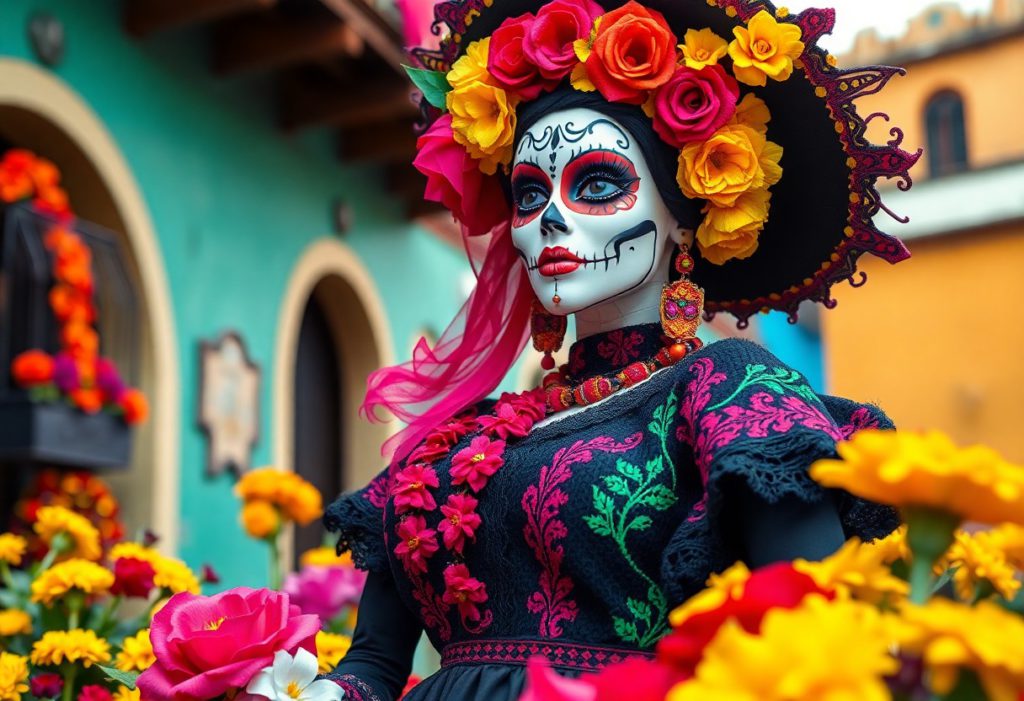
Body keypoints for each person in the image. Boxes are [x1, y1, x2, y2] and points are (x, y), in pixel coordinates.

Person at [322, 0, 921, 699]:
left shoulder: (727, 391)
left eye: (597, 183)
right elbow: (371, 666)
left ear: (683, 217)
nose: (550, 218)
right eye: (528, 194)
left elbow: (816, 646)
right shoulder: (464, 437)